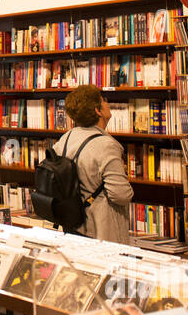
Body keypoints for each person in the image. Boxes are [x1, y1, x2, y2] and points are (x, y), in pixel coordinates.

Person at [52, 84, 133, 243]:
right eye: (104, 100)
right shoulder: (106, 146)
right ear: (98, 110)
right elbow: (121, 195)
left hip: (73, 224)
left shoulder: (67, 138)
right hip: (101, 231)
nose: (107, 104)